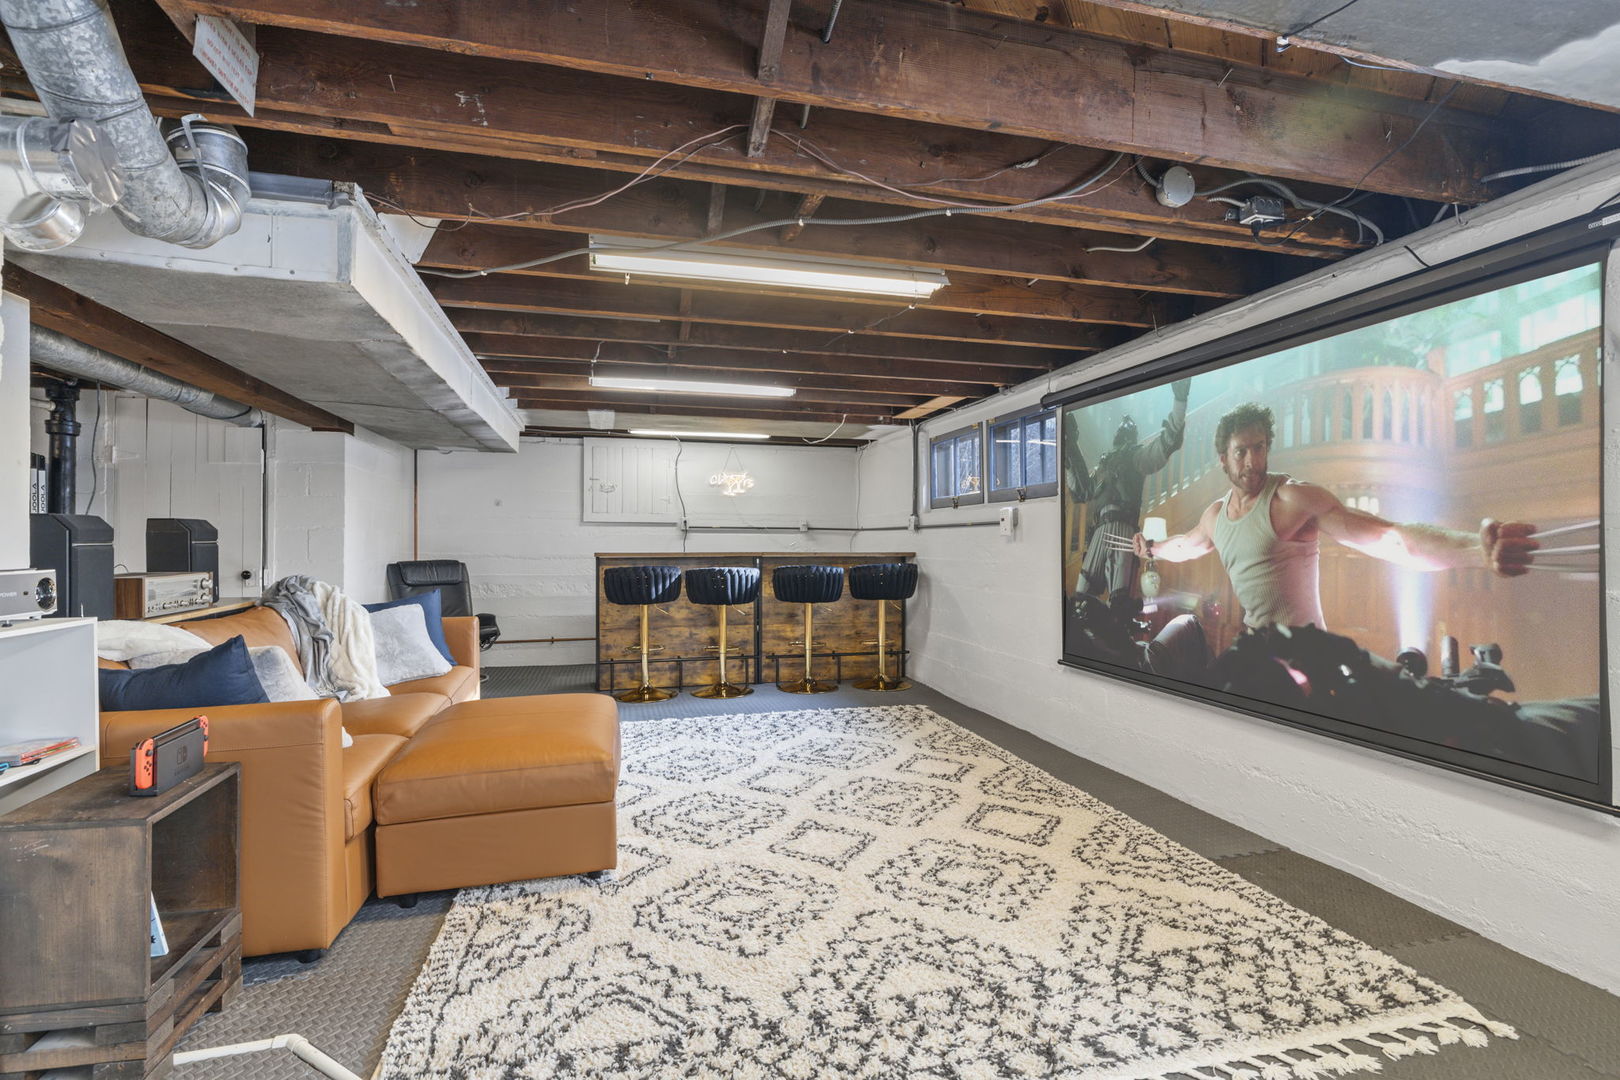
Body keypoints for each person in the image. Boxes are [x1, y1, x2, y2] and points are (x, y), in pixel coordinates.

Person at [1131, 402, 1538, 631]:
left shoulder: (1292, 499)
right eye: (1242, 451)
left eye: (1259, 448)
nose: (1252, 460)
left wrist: (1475, 551)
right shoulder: (1215, 516)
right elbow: (1185, 546)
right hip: (1257, 653)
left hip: (1307, 655)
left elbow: (1389, 538)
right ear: (1224, 459)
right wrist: (1151, 548)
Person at [1065, 378, 1190, 618]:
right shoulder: (1104, 464)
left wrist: (1179, 403)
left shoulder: (1136, 456)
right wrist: (1071, 446)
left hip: (1122, 530)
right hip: (1101, 530)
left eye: (1128, 426)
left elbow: (1167, 443)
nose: (1125, 426)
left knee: (1119, 602)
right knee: (1081, 601)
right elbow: (1082, 491)